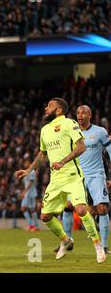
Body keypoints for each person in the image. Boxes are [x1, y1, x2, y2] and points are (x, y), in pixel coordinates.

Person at [16, 97, 106, 263]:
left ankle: (98, 246)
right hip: (55, 179)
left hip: (72, 175)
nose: (45, 108)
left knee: (80, 210)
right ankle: (66, 240)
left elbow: (81, 146)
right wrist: (28, 170)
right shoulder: (44, 130)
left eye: (49, 106)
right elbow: (43, 154)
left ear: (58, 110)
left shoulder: (69, 123)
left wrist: (63, 161)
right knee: (45, 216)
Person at [60, 105, 111, 253]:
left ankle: (104, 245)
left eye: (83, 113)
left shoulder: (100, 132)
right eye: (78, 113)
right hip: (77, 176)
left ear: (90, 115)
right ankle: (67, 243)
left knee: (102, 208)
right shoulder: (71, 132)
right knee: (68, 206)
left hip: (96, 175)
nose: (80, 115)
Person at [19, 158, 40, 232]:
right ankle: (34, 226)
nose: (25, 164)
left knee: (24, 208)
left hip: (30, 193)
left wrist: (24, 191)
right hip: (28, 193)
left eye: (27, 163)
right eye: (25, 163)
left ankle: (34, 225)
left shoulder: (32, 172)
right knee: (31, 209)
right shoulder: (27, 172)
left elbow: (31, 182)